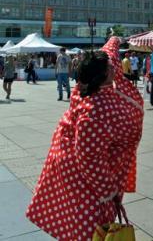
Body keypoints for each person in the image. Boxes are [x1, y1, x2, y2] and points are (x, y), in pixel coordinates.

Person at [26, 36, 144, 240]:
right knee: (89, 228)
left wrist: (115, 40)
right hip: (85, 181)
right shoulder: (94, 110)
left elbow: (109, 57)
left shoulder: (85, 87)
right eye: (109, 67)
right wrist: (109, 191)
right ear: (104, 75)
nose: (113, 68)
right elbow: (89, 158)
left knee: (76, 222)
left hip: (75, 165)